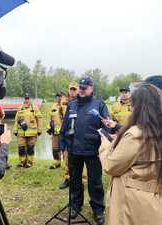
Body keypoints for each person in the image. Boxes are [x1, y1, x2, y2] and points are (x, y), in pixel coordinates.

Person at [99, 84, 162, 225]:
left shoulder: (135, 135)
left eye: (133, 104)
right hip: (159, 203)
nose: (131, 108)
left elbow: (111, 166)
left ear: (140, 107)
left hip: (134, 207)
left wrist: (105, 146)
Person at [60, 77, 109, 225]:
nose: (81, 90)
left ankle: (98, 209)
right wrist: (62, 146)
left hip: (93, 151)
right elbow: (65, 126)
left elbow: (106, 126)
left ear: (91, 88)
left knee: (95, 182)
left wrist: (105, 145)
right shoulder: (72, 104)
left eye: (84, 88)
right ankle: (75, 205)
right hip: (74, 150)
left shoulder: (99, 104)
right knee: (75, 180)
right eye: (80, 87)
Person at [13, 93, 42, 168]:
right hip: (21, 133)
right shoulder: (20, 108)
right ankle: (22, 162)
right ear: (24, 99)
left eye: (28, 98)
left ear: (30, 99)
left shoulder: (34, 108)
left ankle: (29, 162)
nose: (27, 100)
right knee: (21, 148)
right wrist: (15, 130)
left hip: (32, 133)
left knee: (30, 148)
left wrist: (39, 129)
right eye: (25, 98)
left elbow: (39, 119)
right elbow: (16, 120)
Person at [59, 82, 79, 189]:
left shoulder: (81, 102)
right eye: (71, 89)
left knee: (79, 160)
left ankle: (81, 180)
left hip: (77, 134)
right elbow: (60, 115)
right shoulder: (64, 102)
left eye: (74, 89)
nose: (72, 91)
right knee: (67, 158)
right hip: (66, 132)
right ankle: (67, 179)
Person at [47, 92, 65, 169]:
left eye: (60, 96)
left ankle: (66, 165)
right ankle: (57, 162)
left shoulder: (66, 106)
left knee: (64, 149)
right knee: (55, 148)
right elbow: (51, 118)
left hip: (64, 132)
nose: (58, 98)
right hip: (55, 132)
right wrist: (49, 128)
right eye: (57, 96)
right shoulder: (53, 106)